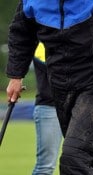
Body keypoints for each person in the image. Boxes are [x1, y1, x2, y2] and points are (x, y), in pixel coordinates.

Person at [6, 0, 93, 174]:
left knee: (73, 157)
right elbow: (21, 34)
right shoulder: (31, 2)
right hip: (59, 85)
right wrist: (16, 76)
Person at [32, 43, 62, 175]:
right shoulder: (41, 43)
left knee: (83, 161)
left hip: (79, 106)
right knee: (46, 167)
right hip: (50, 107)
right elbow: (56, 67)